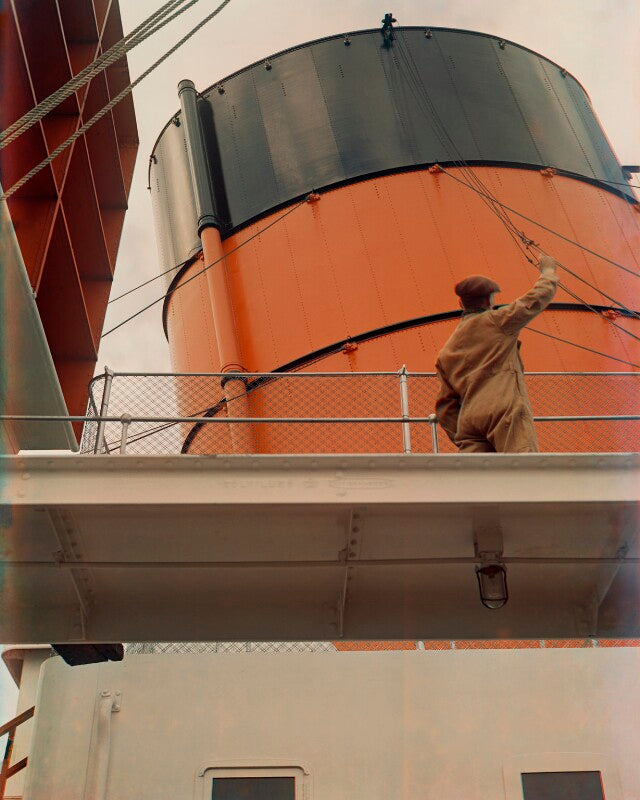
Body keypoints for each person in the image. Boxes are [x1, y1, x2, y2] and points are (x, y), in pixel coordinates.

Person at [435, 255, 558, 453]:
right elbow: (534, 300)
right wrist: (548, 271)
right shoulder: (498, 322)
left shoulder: (446, 351)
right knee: (523, 466)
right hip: (504, 412)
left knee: (480, 472)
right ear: (489, 300)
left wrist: (462, 434)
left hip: (469, 422)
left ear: (461, 303)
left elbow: (445, 406)